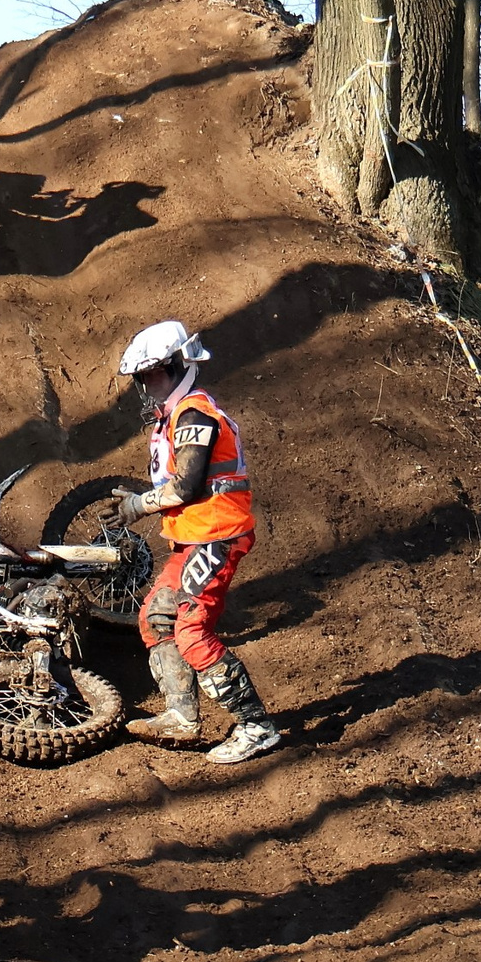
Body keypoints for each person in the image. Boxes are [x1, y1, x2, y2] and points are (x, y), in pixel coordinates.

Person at [103, 321, 282, 765]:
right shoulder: (173, 418)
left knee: (191, 630)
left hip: (218, 536)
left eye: (150, 376)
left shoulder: (194, 414)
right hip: (193, 540)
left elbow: (185, 485)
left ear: (178, 365)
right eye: (141, 379)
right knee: (154, 618)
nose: (145, 387)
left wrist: (138, 506)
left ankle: (257, 726)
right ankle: (182, 717)